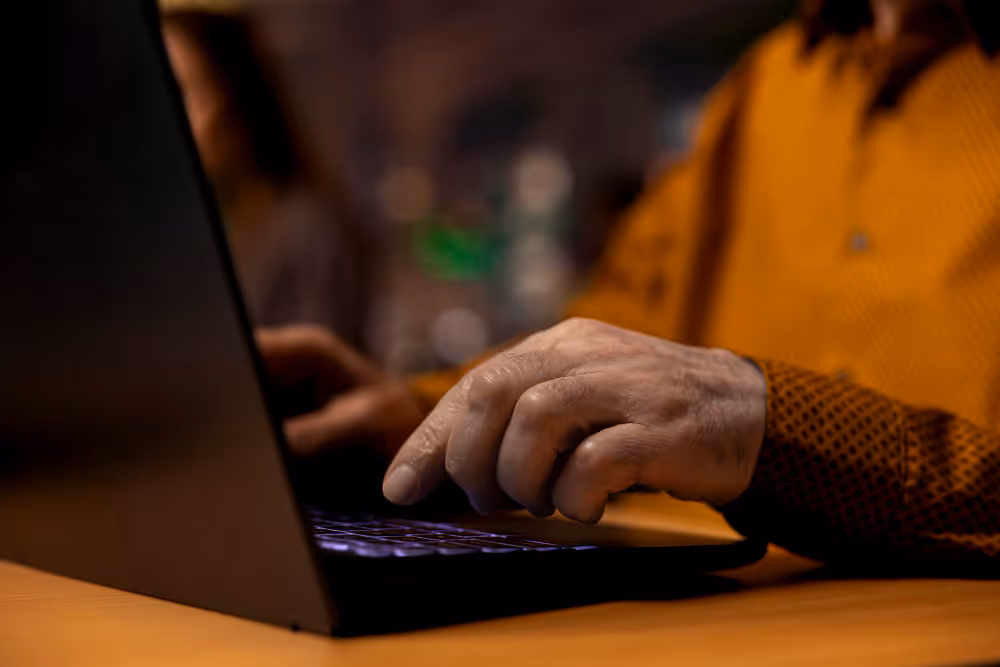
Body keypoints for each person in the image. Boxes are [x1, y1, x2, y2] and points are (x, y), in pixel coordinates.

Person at [258, 0, 1000, 570]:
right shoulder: (765, 89)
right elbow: (619, 321)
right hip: (733, 626)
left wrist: (771, 428)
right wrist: (420, 412)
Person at [162, 6, 370, 348]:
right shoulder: (196, 235)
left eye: (183, 91)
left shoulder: (306, 227)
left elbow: (314, 374)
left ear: (233, 95)